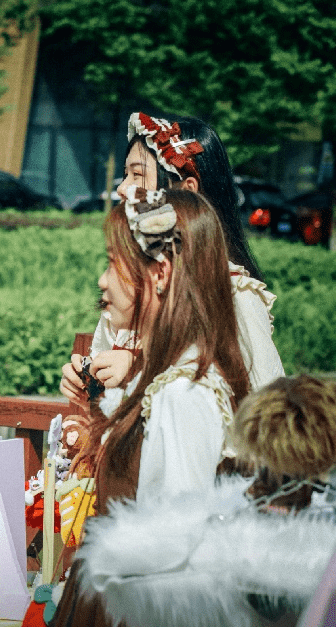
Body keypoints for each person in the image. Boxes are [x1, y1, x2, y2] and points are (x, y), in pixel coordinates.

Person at [51, 186, 252, 625]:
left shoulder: (184, 394)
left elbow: (176, 566)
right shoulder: (178, 376)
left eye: (112, 261)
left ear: (159, 273)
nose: (102, 281)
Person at [63, 112, 284, 405]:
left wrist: (140, 372)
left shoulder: (233, 296)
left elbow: (269, 413)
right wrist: (88, 381)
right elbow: (108, 394)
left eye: (138, 175)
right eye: (125, 174)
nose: (121, 188)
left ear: (186, 191)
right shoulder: (131, 291)